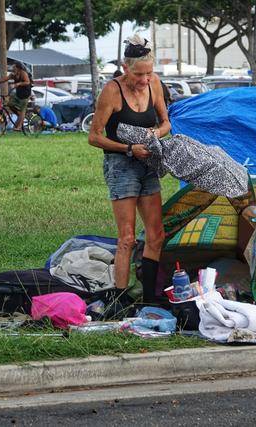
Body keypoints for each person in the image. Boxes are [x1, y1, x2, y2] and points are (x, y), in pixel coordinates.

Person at [88, 35, 171, 306]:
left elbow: (166, 123)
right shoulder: (112, 91)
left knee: (156, 234)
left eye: (149, 73)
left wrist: (154, 135)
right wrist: (128, 149)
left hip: (148, 162)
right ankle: (120, 300)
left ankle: (149, 300)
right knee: (127, 238)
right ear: (126, 68)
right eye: (139, 74)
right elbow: (94, 136)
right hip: (121, 164)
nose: (145, 79)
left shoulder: (154, 83)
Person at [0, 62, 32, 131]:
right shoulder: (13, 74)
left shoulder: (23, 73)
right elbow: (5, 79)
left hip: (26, 94)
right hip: (18, 93)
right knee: (9, 104)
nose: (13, 68)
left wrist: (19, 84)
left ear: (18, 68)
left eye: (14, 67)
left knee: (23, 110)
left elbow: (27, 82)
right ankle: (19, 115)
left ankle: (19, 127)